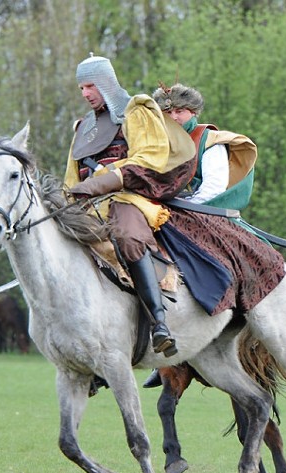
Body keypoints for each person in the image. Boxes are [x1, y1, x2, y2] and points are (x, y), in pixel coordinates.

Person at [64, 55, 198, 357]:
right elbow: (71, 179)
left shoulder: (135, 111)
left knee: (128, 236)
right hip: (88, 208)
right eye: (81, 88)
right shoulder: (82, 128)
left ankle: (159, 323)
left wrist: (103, 179)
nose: (85, 93)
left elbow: (149, 157)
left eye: (90, 85)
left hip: (128, 198)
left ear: (105, 82)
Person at [142, 82, 257, 388]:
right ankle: (159, 337)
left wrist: (178, 207)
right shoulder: (155, 142)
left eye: (178, 111)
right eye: (166, 112)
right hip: (164, 218)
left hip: (207, 217)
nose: (173, 117)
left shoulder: (210, 141)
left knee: (253, 262)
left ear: (192, 112)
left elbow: (212, 190)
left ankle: (282, 316)